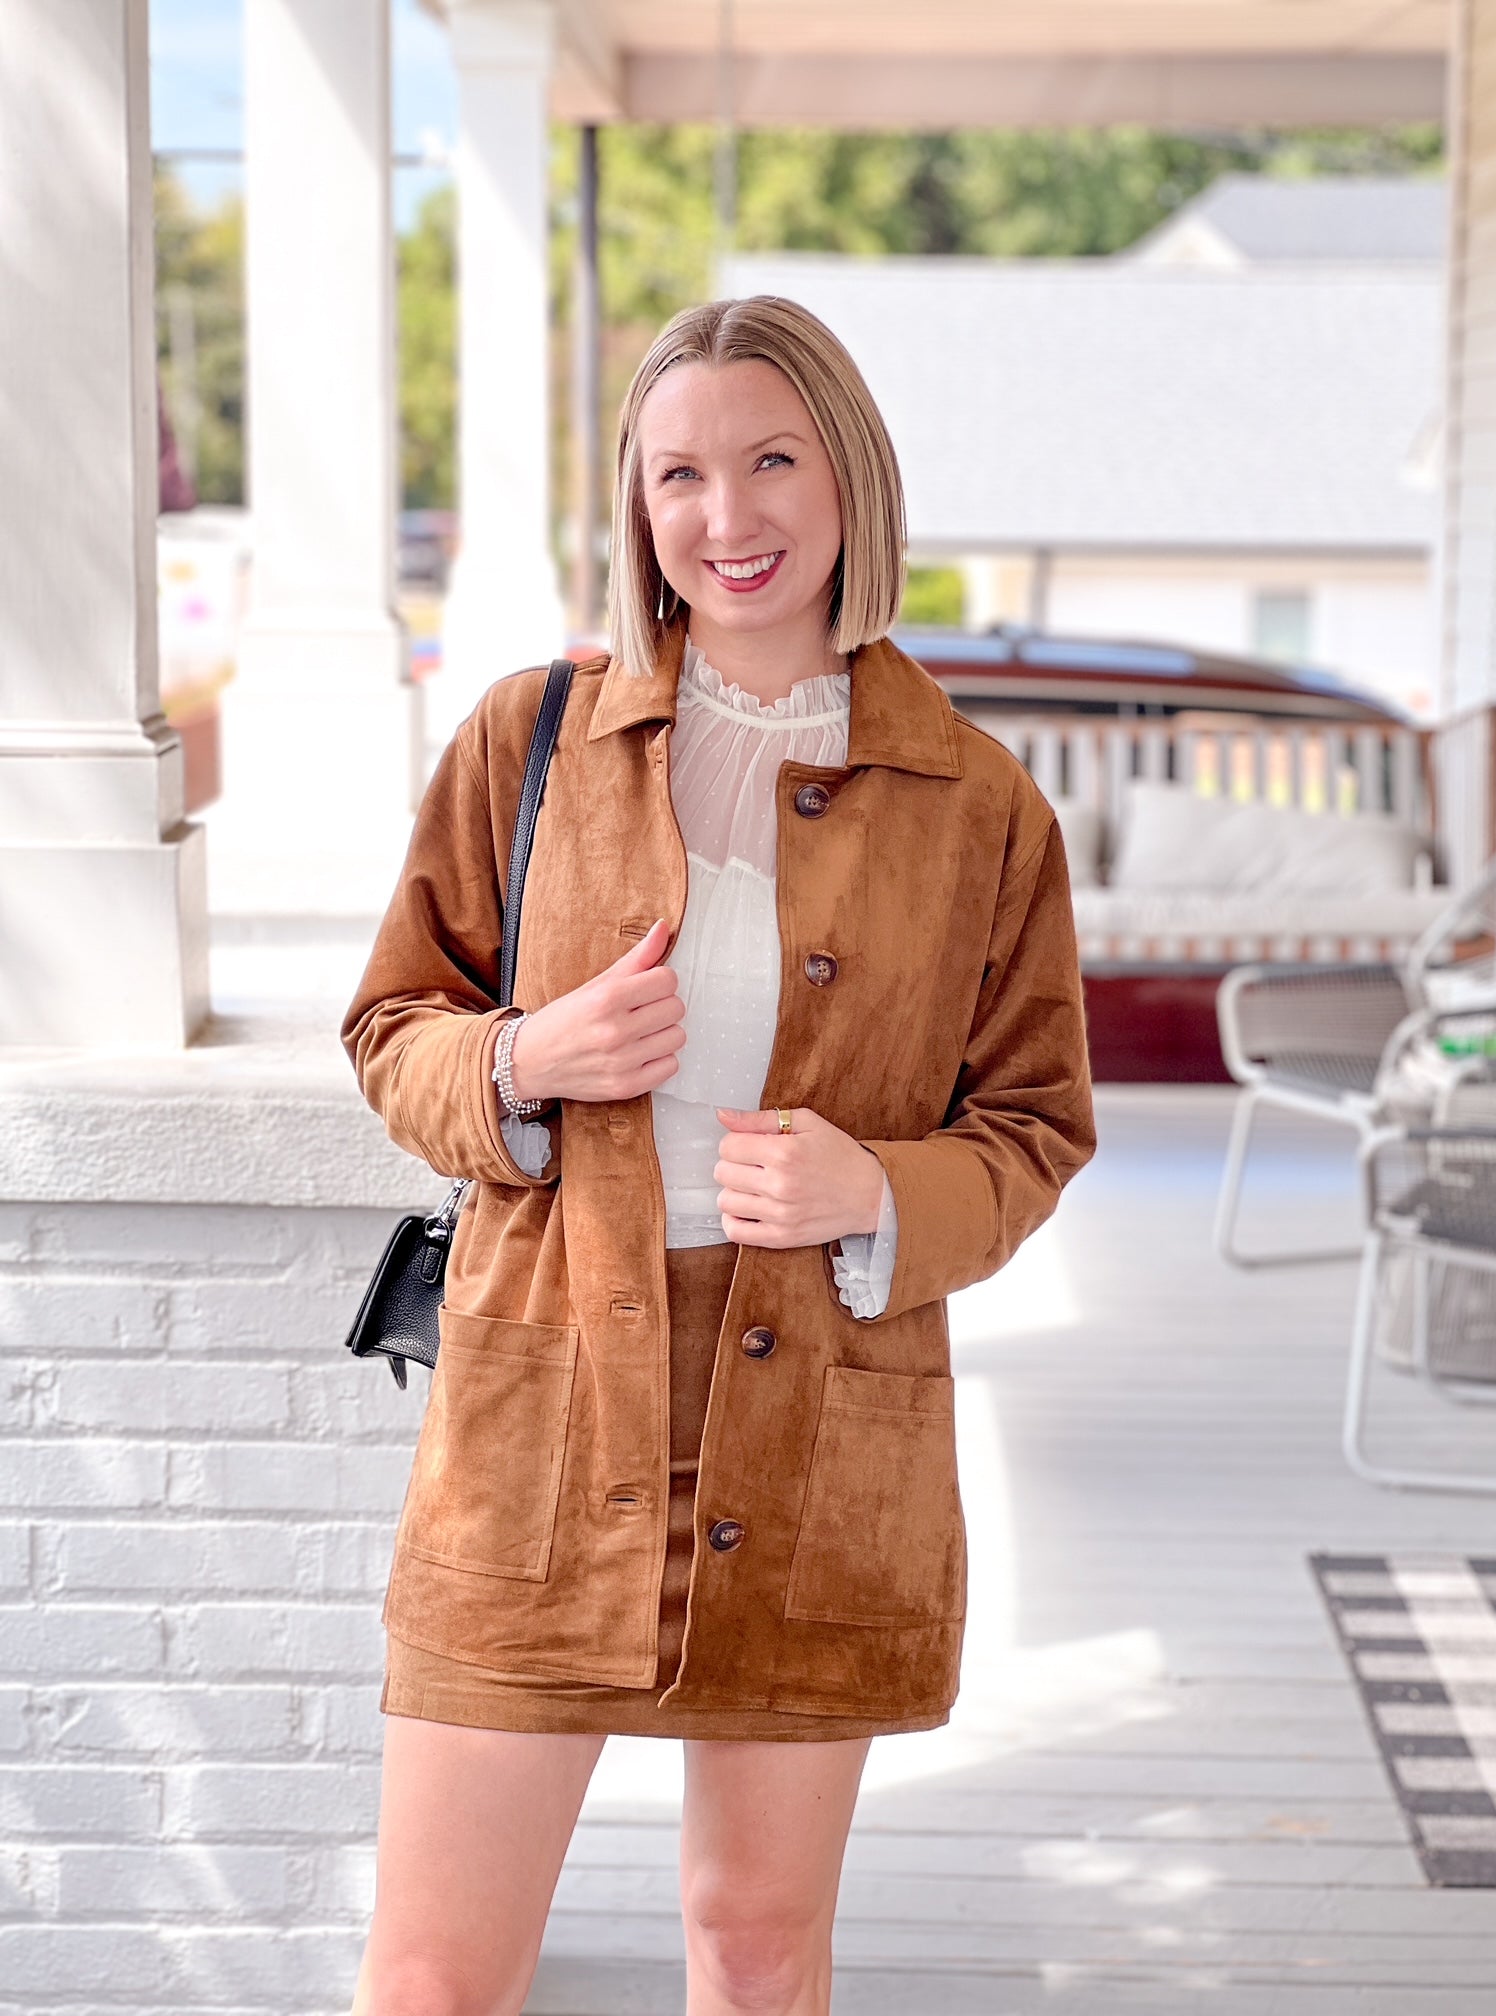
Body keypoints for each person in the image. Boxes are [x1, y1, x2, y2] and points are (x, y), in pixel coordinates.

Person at [340, 294, 1096, 2016]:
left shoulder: (980, 804)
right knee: (436, 1976)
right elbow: (395, 1030)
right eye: (679, 473)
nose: (727, 516)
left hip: (820, 1425)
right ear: (636, 504)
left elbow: (1037, 1127)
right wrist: (530, 1059)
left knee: (756, 1952)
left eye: (771, 460)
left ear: (850, 481)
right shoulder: (530, 739)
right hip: (541, 1423)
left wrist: (880, 1194)